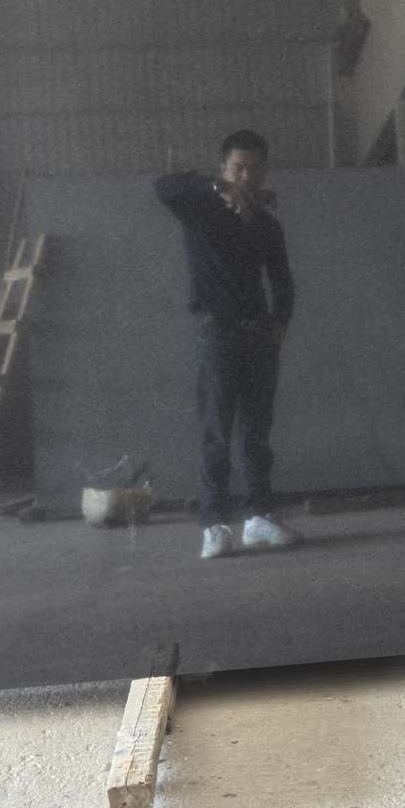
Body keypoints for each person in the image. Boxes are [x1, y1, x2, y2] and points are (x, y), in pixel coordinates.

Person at [155, 130, 301, 560]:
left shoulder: (266, 225)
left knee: (257, 433)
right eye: (238, 167)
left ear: (265, 171)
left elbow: (283, 281)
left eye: (255, 168)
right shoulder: (201, 210)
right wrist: (220, 188)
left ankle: (259, 518)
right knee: (216, 432)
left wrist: (280, 324)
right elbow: (164, 186)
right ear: (223, 169)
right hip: (218, 333)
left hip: (258, 336)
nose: (246, 176)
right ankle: (214, 526)